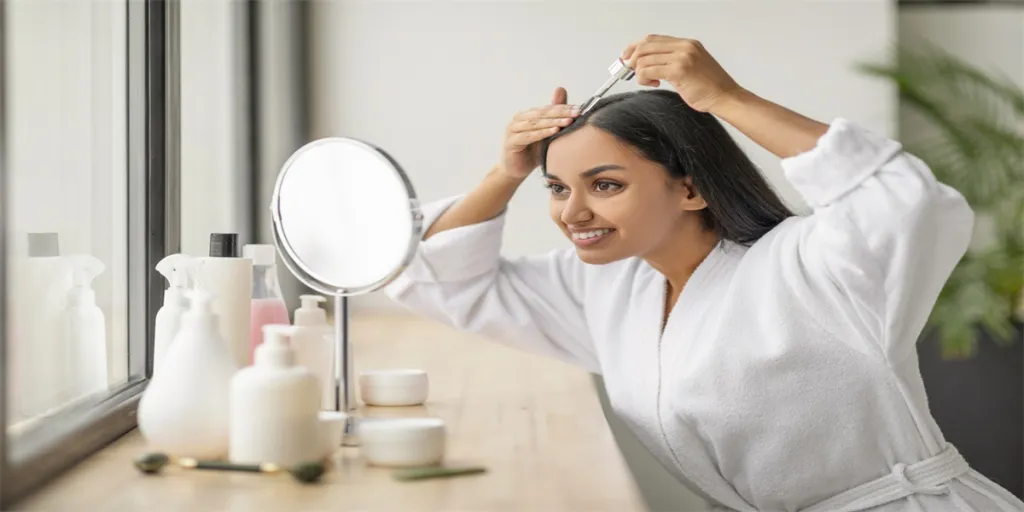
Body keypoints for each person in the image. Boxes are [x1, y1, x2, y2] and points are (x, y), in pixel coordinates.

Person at [383, 34, 1024, 511]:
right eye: (555, 188)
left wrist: (727, 97)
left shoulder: (812, 266)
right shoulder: (610, 289)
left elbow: (905, 200)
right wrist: (506, 174)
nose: (571, 212)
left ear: (690, 190)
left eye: (604, 185)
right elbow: (446, 280)